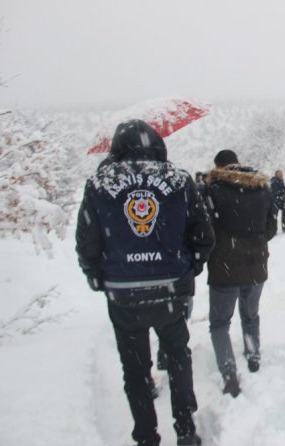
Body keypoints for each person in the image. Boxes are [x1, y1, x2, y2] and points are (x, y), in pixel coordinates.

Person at [76, 119, 215, 446]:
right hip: (170, 288)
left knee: (135, 371)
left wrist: (98, 276)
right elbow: (203, 234)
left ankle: (146, 436)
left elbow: (87, 240)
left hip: (124, 295)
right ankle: (185, 430)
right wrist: (189, 269)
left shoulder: (99, 183)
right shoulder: (179, 180)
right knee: (179, 359)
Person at [204, 149, 278, 397]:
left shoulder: (213, 191)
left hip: (224, 268)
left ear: (218, 166)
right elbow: (270, 228)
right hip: (256, 264)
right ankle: (253, 355)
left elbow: (207, 232)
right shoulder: (262, 188)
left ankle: (228, 372)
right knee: (250, 315)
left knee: (219, 324)